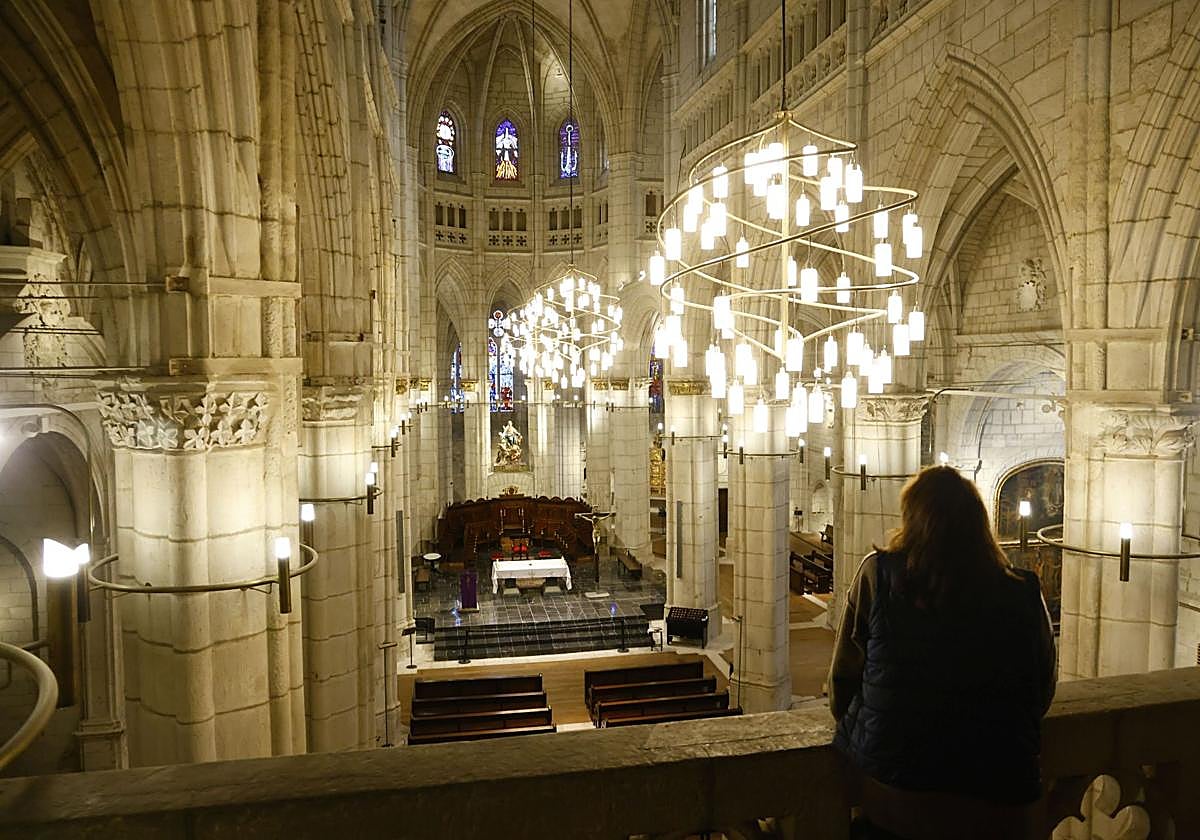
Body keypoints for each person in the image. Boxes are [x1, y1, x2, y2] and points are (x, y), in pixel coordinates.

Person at [828, 466, 1056, 840]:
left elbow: (842, 680)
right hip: (1002, 796)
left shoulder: (879, 575)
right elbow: (1042, 688)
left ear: (912, 519)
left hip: (898, 798)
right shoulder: (1024, 591)